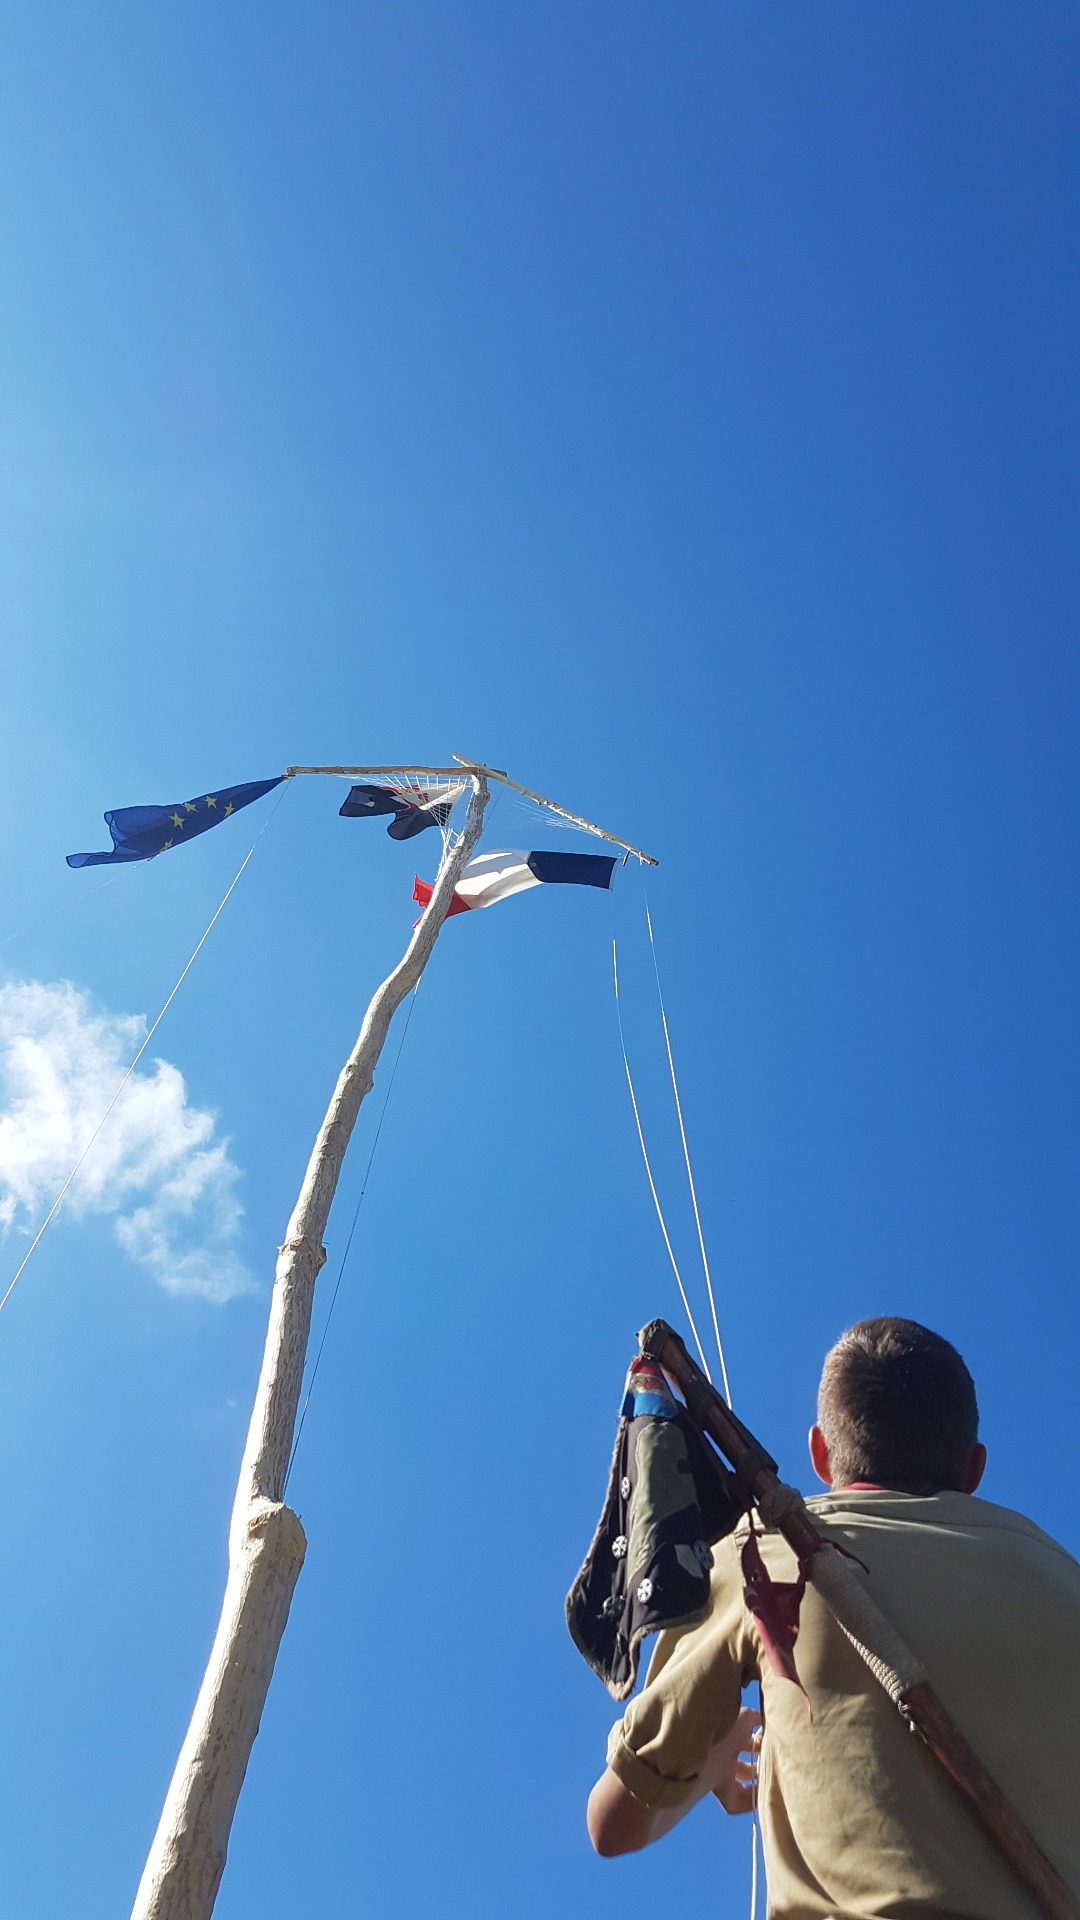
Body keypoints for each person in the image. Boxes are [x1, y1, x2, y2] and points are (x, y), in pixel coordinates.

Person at [587, 1317, 1080, 1918]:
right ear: (974, 1469)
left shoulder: (766, 1550)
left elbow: (613, 1823)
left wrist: (714, 1759)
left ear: (820, 1452)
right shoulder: (1063, 1575)